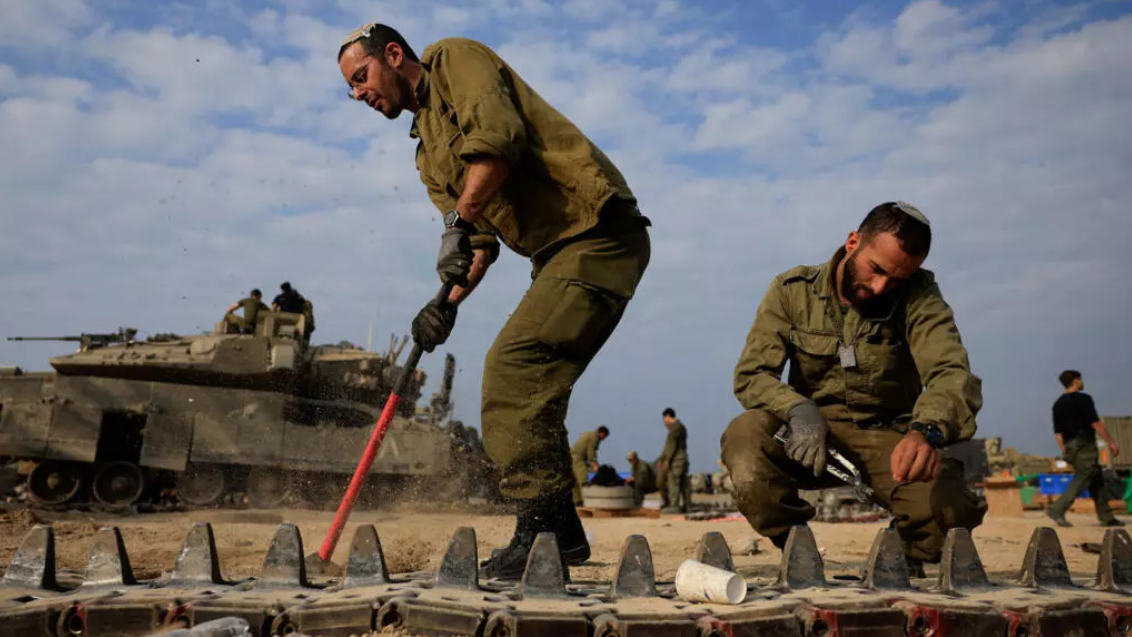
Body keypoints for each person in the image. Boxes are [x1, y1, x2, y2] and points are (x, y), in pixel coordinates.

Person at [337, 25, 651, 579]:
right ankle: (559, 532)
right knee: (533, 387)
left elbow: (498, 142)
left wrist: (459, 223)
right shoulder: (427, 158)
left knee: (514, 367)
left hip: (597, 232)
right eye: (351, 89)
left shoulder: (452, 60)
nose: (359, 94)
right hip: (555, 256)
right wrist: (445, 304)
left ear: (394, 55)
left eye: (362, 77)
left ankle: (543, 531)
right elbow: (477, 245)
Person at [721, 202, 987, 568]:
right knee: (745, 437)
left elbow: (950, 372)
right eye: (876, 269)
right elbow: (752, 375)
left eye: (897, 280)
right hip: (808, 437)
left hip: (889, 438)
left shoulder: (920, 295)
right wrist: (799, 410)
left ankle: (902, 555)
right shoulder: (791, 291)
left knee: (949, 507)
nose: (880, 287)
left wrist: (926, 431)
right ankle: (796, 548)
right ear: (852, 243)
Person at [1046, 370, 1123, 527]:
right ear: (1075, 381)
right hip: (1084, 443)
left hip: (1070, 445)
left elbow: (1058, 433)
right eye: (1080, 380)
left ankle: (1106, 516)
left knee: (1096, 479)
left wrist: (1065, 450)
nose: (1082, 382)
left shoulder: (1058, 404)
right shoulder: (1084, 399)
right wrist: (1110, 442)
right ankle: (1057, 509)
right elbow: (1095, 423)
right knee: (1083, 477)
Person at [657, 408, 690, 513]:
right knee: (683, 483)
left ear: (668, 416)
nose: (664, 422)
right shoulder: (680, 427)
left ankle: (674, 506)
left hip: (677, 459)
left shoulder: (675, 428)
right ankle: (687, 505)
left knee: (673, 481)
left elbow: (671, 446)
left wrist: (666, 460)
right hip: (682, 458)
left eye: (664, 419)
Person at [571, 426, 609, 506]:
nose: (604, 439)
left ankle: (578, 501)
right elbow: (591, 453)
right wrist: (595, 465)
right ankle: (585, 501)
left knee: (575, 481)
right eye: (605, 437)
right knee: (583, 480)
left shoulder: (589, 434)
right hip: (578, 459)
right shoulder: (594, 437)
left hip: (573, 457)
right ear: (602, 433)